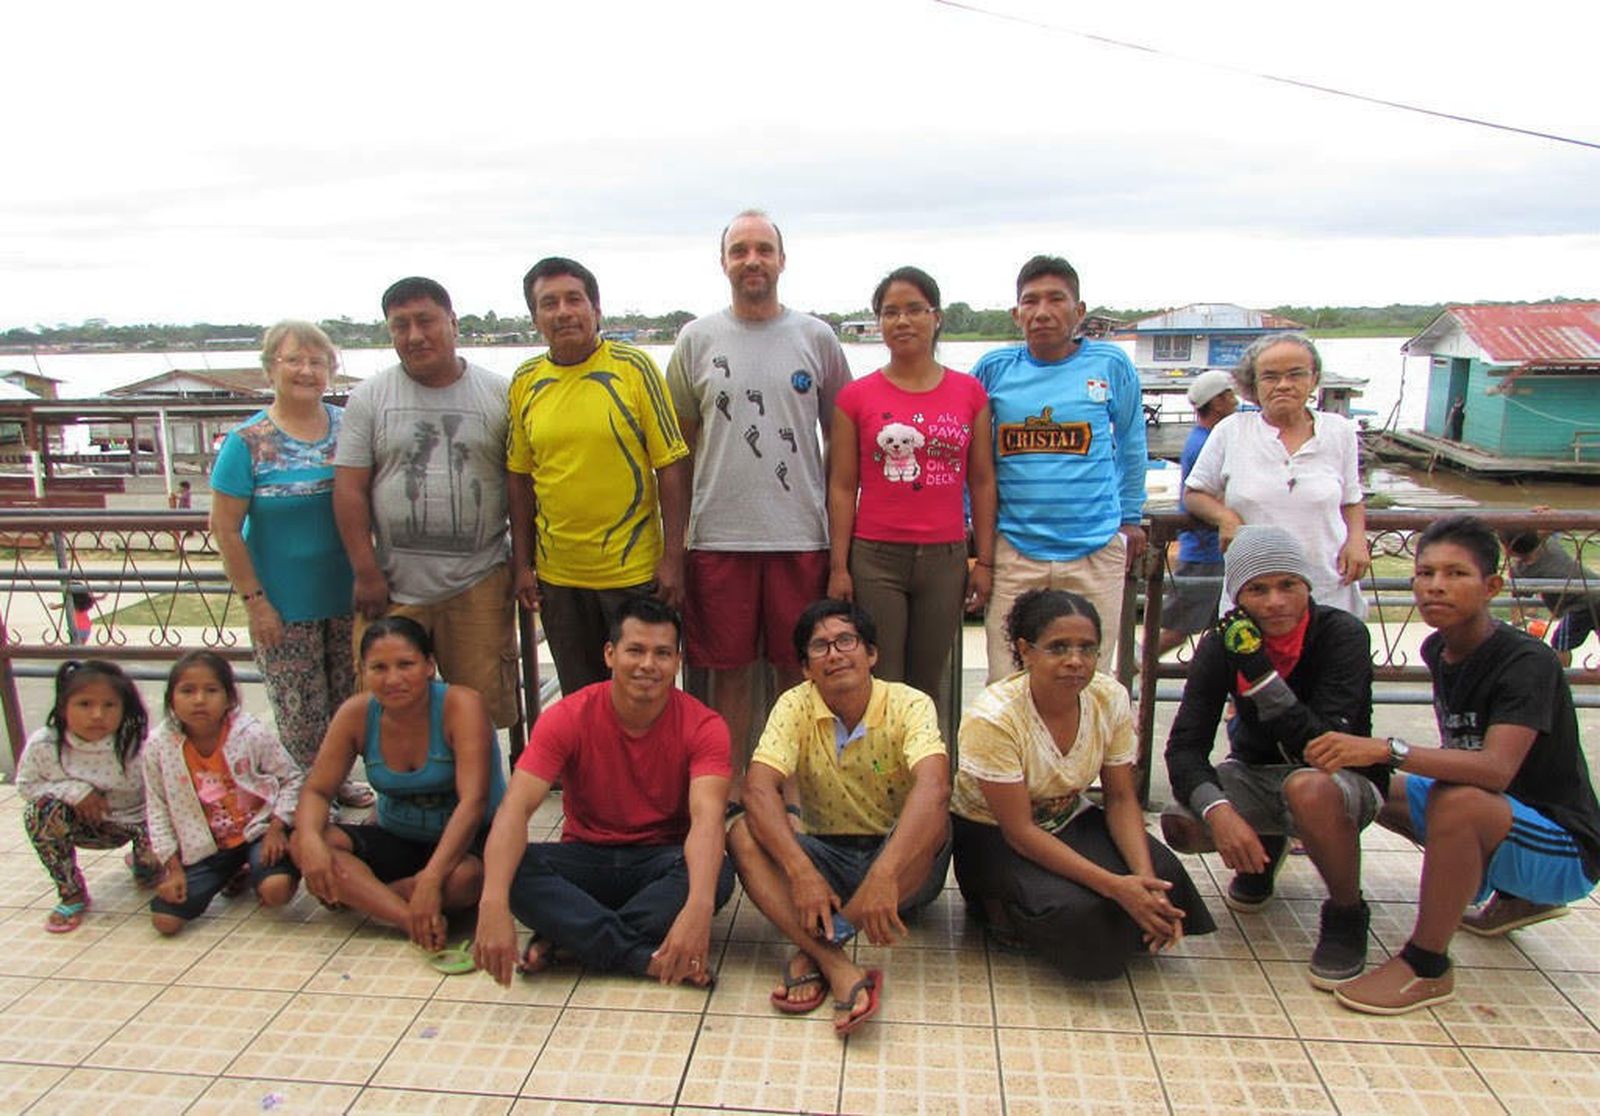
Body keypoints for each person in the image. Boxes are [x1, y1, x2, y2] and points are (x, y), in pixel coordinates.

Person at [1306, 516, 1600, 1014]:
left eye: (1456, 574)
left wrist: (1385, 748)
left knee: (1459, 799)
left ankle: (1427, 964)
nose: (1435, 586)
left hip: (1562, 844)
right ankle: (1504, 893)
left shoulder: (1526, 662)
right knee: (1355, 786)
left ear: (1492, 587)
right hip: (1501, 818)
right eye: (1425, 573)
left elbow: (1494, 770)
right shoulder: (1439, 647)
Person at [665, 209, 851, 766]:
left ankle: (797, 784)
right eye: (740, 250)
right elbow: (678, 450)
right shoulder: (696, 339)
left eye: (763, 249)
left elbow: (842, 444)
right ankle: (733, 784)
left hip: (800, 535)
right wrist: (673, 548)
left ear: (782, 260)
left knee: (801, 669)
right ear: (723, 262)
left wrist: (838, 549)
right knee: (728, 676)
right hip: (719, 537)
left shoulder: (816, 338)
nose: (752, 260)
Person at [952, 590, 1214, 979]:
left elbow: (1122, 798)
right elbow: (1020, 832)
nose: (1075, 661)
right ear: (1026, 651)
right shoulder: (994, 717)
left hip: (1066, 818)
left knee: (1166, 874)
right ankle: (996, 907)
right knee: (1077, 910)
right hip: (995, 837)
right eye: (1058, 648)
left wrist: (1145, 883)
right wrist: (1115, 886)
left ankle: (1128, 915)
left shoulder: (1109, 697)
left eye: (1087, 649)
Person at [1161, 525, 1381, 988]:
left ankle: (1346, 911)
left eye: (1288, 585)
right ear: (1237, 597)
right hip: (1258, 772)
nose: (1275, 602)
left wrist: (1259, 675)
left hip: (1340, 779)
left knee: (1307, 786)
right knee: (1184, 818)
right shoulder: (1225, 641)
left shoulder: (1342, 635)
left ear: (1308, 585)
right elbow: (1184, 746)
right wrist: (1219, 812)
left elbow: (1324, 745)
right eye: (1257, 590)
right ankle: (1266, 850)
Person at [474, 597, 733, 985]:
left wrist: (698, 907)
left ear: (678, 662)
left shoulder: (705, 726)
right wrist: (491, 903)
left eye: (662, 653)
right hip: (585, 855)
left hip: (659, 860)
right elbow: (515, 809)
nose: (648, 664)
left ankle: (570, 936)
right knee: (506, 868)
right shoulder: (567, 716)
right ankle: (640, 956)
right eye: (635, 650)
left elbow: (708, 820)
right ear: (610, 654)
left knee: (718, 874)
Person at [726, 600, 951, 1037]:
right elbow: (757, 787)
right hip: (828, 852)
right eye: (819, 646)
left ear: (871, 654)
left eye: (846, 641)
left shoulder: (909, 704)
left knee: (936, 821)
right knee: (741, 835)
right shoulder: (795, 704)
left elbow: (935, 787)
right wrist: (802, 872)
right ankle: (837, 963)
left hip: (900, 863)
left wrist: (885, 872)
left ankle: (817, 950)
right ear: (807, 668)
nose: (834, 653)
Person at [334, 277, 517, 729]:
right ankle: (406, 796)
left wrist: (526, 564)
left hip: (479, 580)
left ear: (453, 323)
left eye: (425, 321)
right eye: (400, 326)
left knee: (481, 709)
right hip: (393, 587)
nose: (414, 336)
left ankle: (482, 798)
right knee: (387, 711)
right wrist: (365, 570)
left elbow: (520, 486)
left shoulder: (501, 393)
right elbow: (350, 489)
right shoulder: (369, 398)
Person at [507, 257, 691, 695]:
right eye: (548, 303)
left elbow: (671, 465)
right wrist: (522, 564)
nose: (563, 312)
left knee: (640, 692)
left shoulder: (634, 368)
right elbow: (519, 477)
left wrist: (673, 558)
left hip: (631, 573)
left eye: (574, 299)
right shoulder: (525, 380)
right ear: (535, 318)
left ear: (596, 309)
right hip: (559, 576)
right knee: (580, 698)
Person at [826, 265, 995, 715]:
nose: (902, 321)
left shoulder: (969, 392)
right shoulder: (855, 397)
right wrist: (839, 566)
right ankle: (881, 783)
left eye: (914, 310)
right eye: (890, 312)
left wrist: (986, 561)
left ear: (936, 317)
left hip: (945, 558)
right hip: (876, 556)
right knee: (881, 681)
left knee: (927, 685)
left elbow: (981, 480)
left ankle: (927, 782)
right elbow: (843, 486)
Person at [211, 320, 367, 806]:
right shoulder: (248, 441)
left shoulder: (349, 428)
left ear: (331, 370)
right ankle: (310, 805)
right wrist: (255, 602)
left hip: (348, 597)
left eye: (316, 361)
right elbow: (225, 528)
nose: (306, 370)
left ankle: (336, 783)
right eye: (293, 360)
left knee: (347, 704)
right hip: (282, 605)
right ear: (270, 369)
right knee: (301, 715)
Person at [973, 255, 1147, 679]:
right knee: (1008, 679)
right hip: (1015, 548)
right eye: (1030, 302)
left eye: (1056, 299)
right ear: (1016, 314)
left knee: (1090, 677)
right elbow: (970, 455)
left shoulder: (1110, 364)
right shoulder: (994, 369)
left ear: (1079, 311)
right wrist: (974, 533)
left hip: (1095, 544)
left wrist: (1131, 517)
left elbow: (1130, 442)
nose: (1043, 312)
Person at [291, 617, 506, 951]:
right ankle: (409, 917)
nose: (393, 679)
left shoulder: (461, 706)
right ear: (362, 671)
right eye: (379, 667)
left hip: (465, 843)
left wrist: (432, 880)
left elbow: (473, 802)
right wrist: (309, 841)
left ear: (429, 665)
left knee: (465, 880)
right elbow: (317, 791)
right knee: (309, 842)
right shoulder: (356, 713)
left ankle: (364, 896)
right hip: (397, 836)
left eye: (406, 665)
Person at [1184, 332, 1370, 618]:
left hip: (1327, 584)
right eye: (1270, 377)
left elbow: (1351, 498)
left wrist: (1357, 540)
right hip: (1254, 590)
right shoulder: (1232, 430)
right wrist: (1225, 517)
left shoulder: (1339, 431)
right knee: (1251, 660)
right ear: (1253, 384)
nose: (1284, 385)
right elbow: (1195, 493)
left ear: (1314, 379)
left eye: (1296, 374)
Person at [143, 652, 303, 935]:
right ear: (171, 699)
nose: (199, 700)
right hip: (206, 845)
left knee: (276, 890)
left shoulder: (249, 734)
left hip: (258, 832)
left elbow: (292, 779)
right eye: (187, 691)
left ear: (230, 698)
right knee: (165, 921)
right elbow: (157, 808)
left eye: (211, 690)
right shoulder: (158, 746)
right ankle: (232, 873)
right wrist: (173, 868)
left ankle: (255, 871)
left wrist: (278, 827)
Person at [18, 660, 158, 933]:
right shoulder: (45, 744)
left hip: (137, 822)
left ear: (124, 708)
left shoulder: (138, 745)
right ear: (63, 707)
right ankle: (71, 892)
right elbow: (26, 786)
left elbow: (164, 795)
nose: (97, 715)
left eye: (109, 705)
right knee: (39, 813)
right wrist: (74, 791)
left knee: (155, 863)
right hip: (82, 824)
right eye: (84, 704)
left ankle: (143, 863)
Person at [1156, 370, 1238, 655]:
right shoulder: (1207, 443)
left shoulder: (1204, 438)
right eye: (1230, 396)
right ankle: (1134, 667)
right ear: (1217, 402)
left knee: (1226, 625)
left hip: (1212, 549)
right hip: (1205, 550)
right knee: (1178, 629)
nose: (1236, 401)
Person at [1504, 521, 1599, 669]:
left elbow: (1520, 596)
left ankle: (1562, 677)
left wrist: (1517, 621)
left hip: (1579, 605)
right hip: (1596, 588)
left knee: (1560, 644)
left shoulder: (1522, 571)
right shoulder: (1549, 545)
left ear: (1508, 550)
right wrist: (1544, 516)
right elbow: (1554, 529)